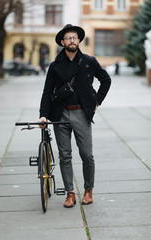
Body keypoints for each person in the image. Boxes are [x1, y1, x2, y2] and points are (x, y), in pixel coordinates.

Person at [39, 24, 111, 208]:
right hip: (60, 114)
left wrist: (96, 102)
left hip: (81, 112)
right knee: (65, 155)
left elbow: (106, 80)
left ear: (79, 40)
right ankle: (70, 193)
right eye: (68, 38)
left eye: (75, 37)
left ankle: (88, 190)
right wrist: (43, 115)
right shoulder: (55, 66)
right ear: (63, 42)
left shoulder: (89, 61)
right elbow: (47, 92)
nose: (72, 40)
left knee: (87, 155)